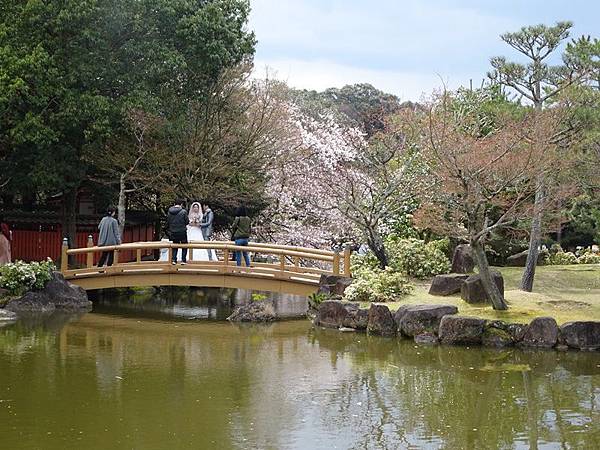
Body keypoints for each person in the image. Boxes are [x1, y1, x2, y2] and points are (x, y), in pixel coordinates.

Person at [167, 198, 189, 265]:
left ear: (174, 204)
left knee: (174, 245)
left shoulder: (169, 211)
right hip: (182, 231)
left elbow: (168, 221)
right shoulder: (183, 211)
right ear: (181, 204)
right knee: (184, 245)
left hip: (173, 231)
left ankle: (174, 259)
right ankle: (183, 260)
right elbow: (187, 222)